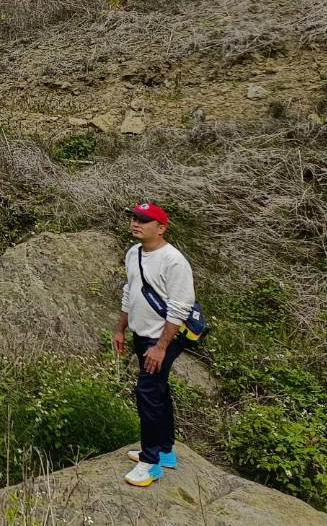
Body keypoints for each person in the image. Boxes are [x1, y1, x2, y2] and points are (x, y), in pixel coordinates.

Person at [115, 201, 196, 488]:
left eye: (144, 220)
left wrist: (161, 346)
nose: (136, 223)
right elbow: (130, 291)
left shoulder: (174, 261)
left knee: (147, 393)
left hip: (162, 339)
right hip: (141, 334)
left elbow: (180, 306)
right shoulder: (134, 253)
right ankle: (166, 450)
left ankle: (150, 462)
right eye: (135, 218)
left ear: (161, 228)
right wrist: (121, 328)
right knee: (158, 390)